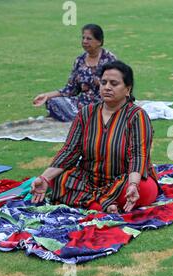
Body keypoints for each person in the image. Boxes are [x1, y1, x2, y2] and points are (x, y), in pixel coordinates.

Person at [30, 60, 159, 214]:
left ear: (127, 89)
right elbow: (70, 150)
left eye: (114, 83)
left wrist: (133, 184)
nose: (107, 87)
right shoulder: (86, 113)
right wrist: (44, 178)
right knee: (58, 179)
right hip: (90, 179)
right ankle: (105, 204)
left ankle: (97, 203)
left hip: (125, 179)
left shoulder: (137, 115)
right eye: (103, 82)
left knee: (142, 189)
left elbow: (138, 154)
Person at [33, 24, 117, 122]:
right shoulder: (80, 60)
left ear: (99, 41)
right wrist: (47, 95)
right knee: (52, 102)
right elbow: (71, 89)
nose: (85, 41)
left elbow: (117, 87)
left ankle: (85, 120)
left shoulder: (109, 60)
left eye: (89, 39)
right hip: (81, 105)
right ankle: (83, 121)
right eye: (83, 38)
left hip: (104, 105)